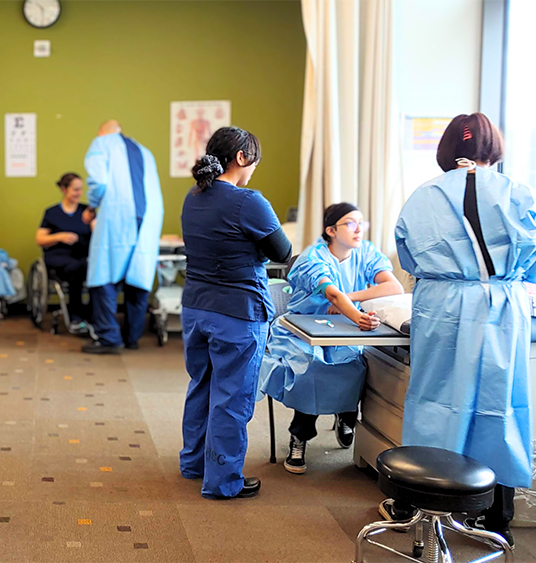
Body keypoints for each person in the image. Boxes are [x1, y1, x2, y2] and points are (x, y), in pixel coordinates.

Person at [389, 113, 536, 547]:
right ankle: (498, 515)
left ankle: (422, 507)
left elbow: (408, 257)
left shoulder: (423, 196)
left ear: (447, 149)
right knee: (500, 402)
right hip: (501, 305)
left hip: (443, 305)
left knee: (436, 400)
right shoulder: (517, 192)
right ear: (494, 146)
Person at [179, 126, 292, 499]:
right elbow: (282, 251)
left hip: (196, 308)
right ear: (242, 158)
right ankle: (223, 481)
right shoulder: (248, 201)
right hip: (237, 314)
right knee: (232, 397)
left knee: (202, 386)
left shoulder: (192, 198)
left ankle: (194, 463)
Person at [258, 203, 402, 475]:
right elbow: (333, 294)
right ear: (331, 230)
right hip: (301, 328)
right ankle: (300, 434)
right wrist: (351, 309)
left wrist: (351, 301)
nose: (359, 229)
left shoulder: (367, 252)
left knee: (359, 362)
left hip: (345, 326)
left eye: (362, 222)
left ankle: (346, 416)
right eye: (350, 223)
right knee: (312, 367)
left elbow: (392, 285)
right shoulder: (313, 258)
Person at [80, 120, 164, 354]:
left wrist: (91, 207)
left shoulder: (102, 143)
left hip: (117, 213)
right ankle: (132, 338)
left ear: (102, 132)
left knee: (103, 276)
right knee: (137, 278)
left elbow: (98, 181)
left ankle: (109, 338)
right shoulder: (145, 151)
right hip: (149, 218)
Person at [36, 172, 92, 333]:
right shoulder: (52, 213)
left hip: (82, 254)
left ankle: (90, 314)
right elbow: (40, 239)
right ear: (64, 189)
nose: (79, 193)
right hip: (59, 256)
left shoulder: (86, 211)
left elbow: (97, 232)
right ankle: (76, 317)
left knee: (89, 267)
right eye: (75, 189)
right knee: (77, 267)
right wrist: (59, 236)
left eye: (81, 189)